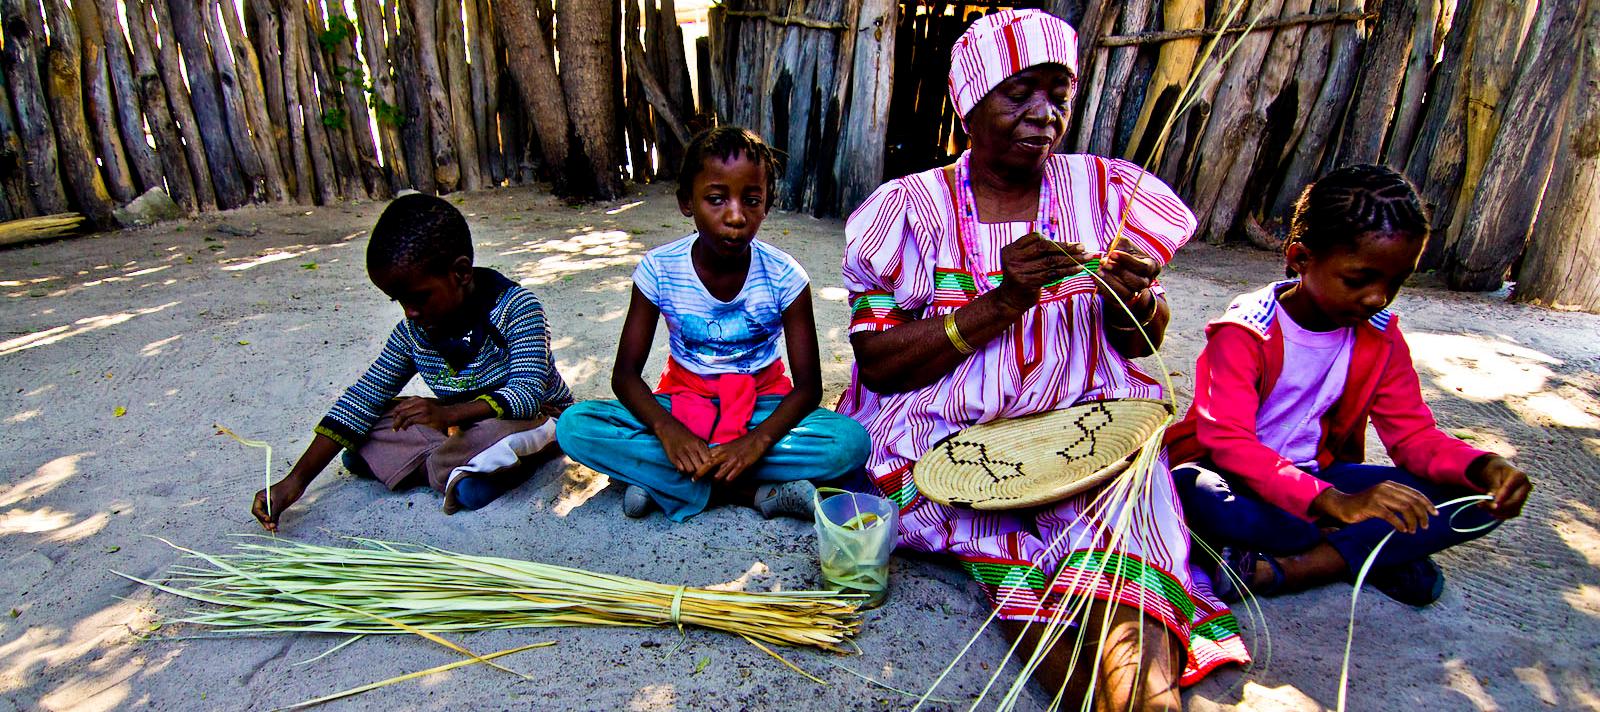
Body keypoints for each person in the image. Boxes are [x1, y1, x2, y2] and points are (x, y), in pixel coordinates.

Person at [840, 10, 1248, 708]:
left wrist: (1138, 301)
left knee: (1127, 537)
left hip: (1095, 428)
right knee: (997, 536)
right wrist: (1000, 301)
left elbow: (1142, 343)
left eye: (1058, 93)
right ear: (969, 105)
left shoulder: (1105, 193)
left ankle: (1150, 701)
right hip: (952, 439)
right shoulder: (908, 208)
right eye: (1019, 92)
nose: (1045, 113)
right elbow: (878, 364)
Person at [1165, 164, 1532, 607]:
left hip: (1320, 480)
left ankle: (1284, 569)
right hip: (1238, 484)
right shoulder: (1244, 331)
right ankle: (1368, 552)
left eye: (1395, 283)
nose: (1378, 297)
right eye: (1358, 280)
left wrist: (1484, 467)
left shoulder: (1379, 335)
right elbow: (1230, 445)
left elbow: (1414, 437)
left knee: (1474, 500)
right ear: (1301, 258)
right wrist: (1335, 504)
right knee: (1192, 491)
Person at [557, 127, 870, 522]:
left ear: (767, 205)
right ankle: (753, 492)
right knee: (574, 427)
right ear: (687, 202)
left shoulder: (786, 277)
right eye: (716, 199)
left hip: (760, 404)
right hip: (683, 405)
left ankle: (660, 479)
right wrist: (668, 430)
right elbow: (625, 376)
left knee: (849, 443)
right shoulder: (659, 269)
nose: (736, 215)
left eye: (751, 200)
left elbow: (808, 390)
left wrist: (757, 441)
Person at [251, 194, 573, 531]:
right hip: (461, 428)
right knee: (375, 418)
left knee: (505, 433)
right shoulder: (412, 332)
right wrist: (295, 482)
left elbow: (527, 395)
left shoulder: (517, 308)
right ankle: (456, 472)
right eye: (399, 300)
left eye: (419, 298)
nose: (410, 312)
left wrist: (447, 414)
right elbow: (362, 398)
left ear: (460, 273)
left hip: (535, 417)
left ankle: (417, 466)